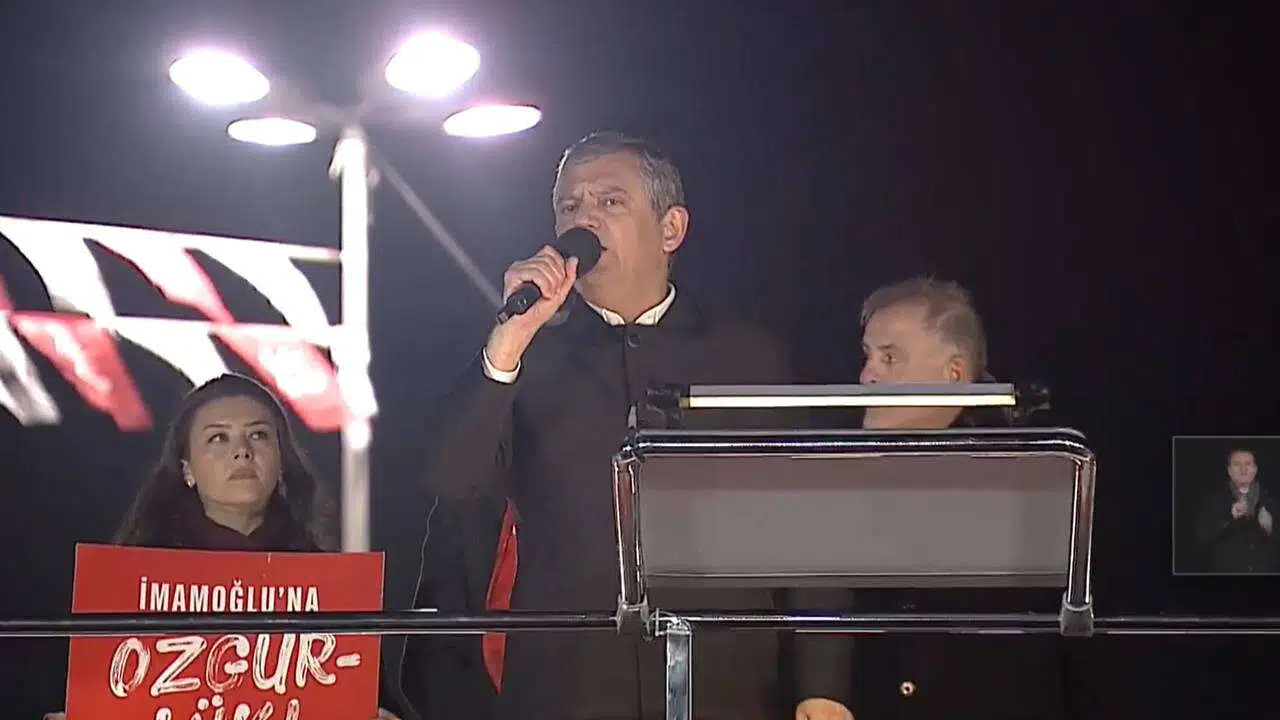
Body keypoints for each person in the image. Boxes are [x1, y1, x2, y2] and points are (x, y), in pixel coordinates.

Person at [402, 131, 793, 720]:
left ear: (671, 228)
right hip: (566, 683)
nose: (584, 219)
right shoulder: (527, 354)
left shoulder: (746, 355)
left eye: (610, 201)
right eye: (569, 206)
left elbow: (803, 523)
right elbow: (450, 480)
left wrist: (822, 685)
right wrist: (509, 343)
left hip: (722, 679)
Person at [791, 277, 1071, 720]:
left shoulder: (1025, 479)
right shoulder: (837, 473)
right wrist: (824, 690)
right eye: (867, 357)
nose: (866, 376)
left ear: (953, 375)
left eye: (889, 358)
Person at [43, 374, 400, 720]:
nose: (242, 452)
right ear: (187, 469)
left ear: (281, 461)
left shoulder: (334, 592)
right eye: (218, 438)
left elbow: (370, 696)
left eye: (258, 435)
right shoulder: (125, 589)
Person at [1195, 448, 1277, 573]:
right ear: (1229, 471)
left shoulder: (1271, 499)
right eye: (1237, 464)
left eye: (1248, 464)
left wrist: (1270, 528)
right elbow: (1202, 536)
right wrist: (1229, 517)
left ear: (1255, 470)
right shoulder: (1214, 500)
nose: (1243, 469)